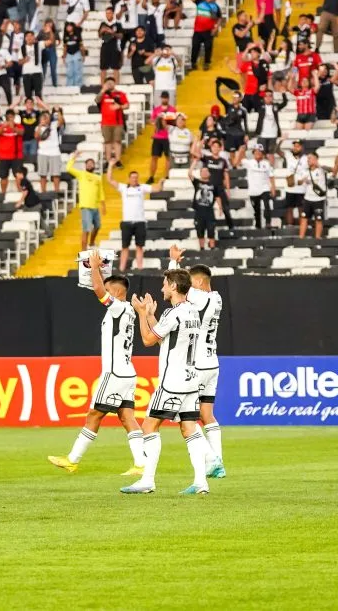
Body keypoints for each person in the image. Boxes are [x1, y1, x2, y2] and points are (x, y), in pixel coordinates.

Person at [49, 250, 147, 476]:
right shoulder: (128, 311)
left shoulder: (118, 307)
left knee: (94, 415)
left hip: (114, 373)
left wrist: (94, 267)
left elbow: (98, 291)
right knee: (127, 417)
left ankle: (72, 460)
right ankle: (141, 463)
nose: (105, 290)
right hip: (127, 372)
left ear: (117, 291)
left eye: (109, 287)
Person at [121, 268, 207, 495]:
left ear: (174, 287)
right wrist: (151, 316)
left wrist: (140, 313)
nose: (162, 288)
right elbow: (168, 341)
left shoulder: (173, 313)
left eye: (165, 284)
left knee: (149, 425)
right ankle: (201, 482)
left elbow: (149, 340)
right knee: (189, 427)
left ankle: (147, 480)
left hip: (173, 381)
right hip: (191, 379)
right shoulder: (193, 312)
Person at [168, 247, 226, 478]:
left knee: (186, 417)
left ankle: (213, 462)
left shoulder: (201, 297)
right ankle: (218, 462)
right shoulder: (217, 298)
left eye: (192, 283)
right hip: (212, 363)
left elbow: (178, 287)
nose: (188, 287)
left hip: (198, 365)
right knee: (207, 414)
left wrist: (173, 263)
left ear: (200, 282)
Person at [107, 159, 163, 271]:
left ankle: (140, 268)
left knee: (139, 246)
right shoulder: (123, 188)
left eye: (136, 177)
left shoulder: (142, 187)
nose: (134, 179)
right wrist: (110, 165)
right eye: (132, 177)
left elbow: (157, 188)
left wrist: (161, 181)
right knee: (125, 247)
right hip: (127, 222)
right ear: (129, 178)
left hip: (140, 222)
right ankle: (121, 269)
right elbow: (109, 180)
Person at [67, 153, 105, 251]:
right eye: (88, 163)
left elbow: (100, 191)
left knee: (97, 226)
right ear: (85, 165)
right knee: (86, 229)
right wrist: (74, 157)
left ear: (94, 166)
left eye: (92, 163)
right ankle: (84, 251)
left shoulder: (98, 177)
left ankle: (91, 243)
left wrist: (103, 204)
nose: (90, 165)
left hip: (95, 206)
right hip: (86, 207)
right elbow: (69, 168)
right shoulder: (81, 174)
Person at [96, 78, 128, 165]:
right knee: (107, 142)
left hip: (118, 122)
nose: (110, 84)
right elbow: (97, 100)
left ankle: (118, 160)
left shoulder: (120, 94)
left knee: (117, 141)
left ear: (115, 83)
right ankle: (108, 160)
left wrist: (119, 107)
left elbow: (127, 105)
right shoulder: (103, 94)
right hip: (106, 122)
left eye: (111, 83)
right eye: (108, 83)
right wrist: (103, 90)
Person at [244, 142, 276, 229]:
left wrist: (273, 188)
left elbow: (271, 176)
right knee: (256, 209)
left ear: (263, 153)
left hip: (264, 188)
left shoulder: (266, 163)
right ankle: (258, 225)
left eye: (260, 151)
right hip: (253, 190)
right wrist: (242, 148)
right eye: (256, 151)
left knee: (267, 205)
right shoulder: (249, 163)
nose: (258, 153)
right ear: (253, 153)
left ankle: (268, 223)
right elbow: (237, 161)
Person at [298, 152, 327, 240]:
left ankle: (318, 237)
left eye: (310, 158)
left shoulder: (321, 170)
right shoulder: (305, 171)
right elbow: (298, 182)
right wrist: (303, 180)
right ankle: (301, 237)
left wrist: (318, 164)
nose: (308, 160)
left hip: (319, 199)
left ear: (315, 159)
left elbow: (331, 170)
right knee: (304, 217)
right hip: (308, 198)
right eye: (308, 159)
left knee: (318, 218)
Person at [190, 166, 216, 249]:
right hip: (199, 211)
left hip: (209, 211)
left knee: (211, 230)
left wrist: (221, 208)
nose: (204, 173)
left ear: (209, 173)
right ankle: (202, 249)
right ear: (200, 173)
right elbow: (189, 174)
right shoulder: (197, 182)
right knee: (200, 231)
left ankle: (212, 248)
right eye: (203, 171)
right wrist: (194, 162)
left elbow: (218, 196)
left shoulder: (214, 184)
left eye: (206, 171)